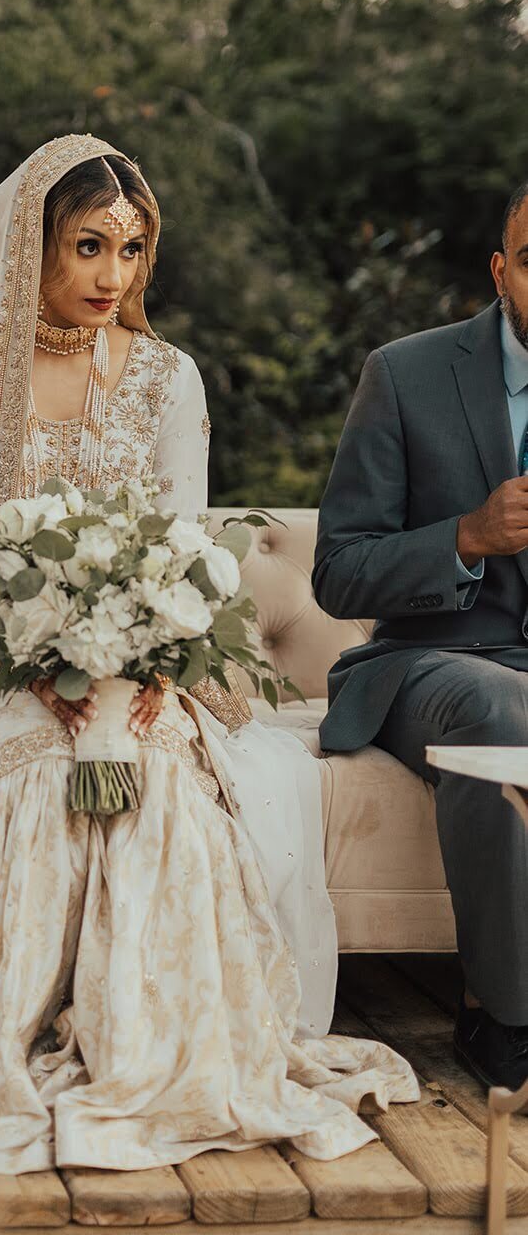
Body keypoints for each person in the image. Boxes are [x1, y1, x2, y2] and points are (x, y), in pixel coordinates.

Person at [0, 134, 418, 1172]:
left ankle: (148, 1051)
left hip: (144, 668)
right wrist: (32, 656)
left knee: (161, 789)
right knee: (44, 786)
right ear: (33, 246)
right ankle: (8, 1032)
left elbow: (185, 545)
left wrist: (148, 662)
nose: (112, 274)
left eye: (132, 249)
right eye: (88, 245)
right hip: (4, 667)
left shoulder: (167, 379)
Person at [313, 185, 528, 1094]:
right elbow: (338, 571)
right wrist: (466, 537)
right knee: (496, 705)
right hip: (432, 666)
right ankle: (507, 1014)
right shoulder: (404, 372)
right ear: (500, 269)